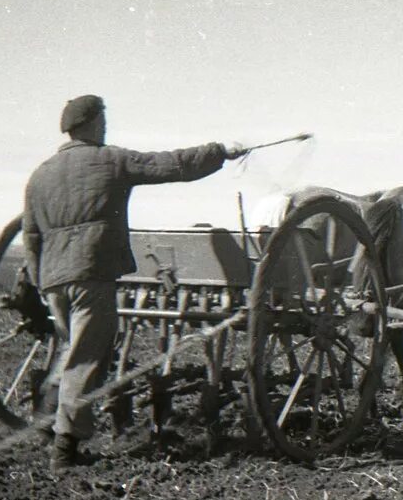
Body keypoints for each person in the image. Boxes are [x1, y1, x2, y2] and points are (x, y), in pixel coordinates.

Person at [22, 95, 248, 473]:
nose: (105, 126)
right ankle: (66, 447)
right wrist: (219, 151)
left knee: (74, 348)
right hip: (91, 273)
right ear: (92, 123)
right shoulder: (108, 159)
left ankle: (48, 415)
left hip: (54, 281)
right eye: (103, 120)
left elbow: (30, 236)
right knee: (88, 357)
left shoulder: (40, 174)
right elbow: (171, 165)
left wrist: (41, 282)